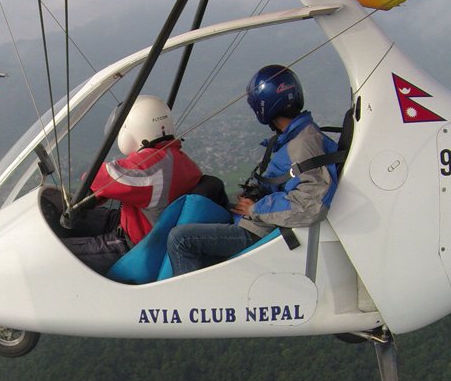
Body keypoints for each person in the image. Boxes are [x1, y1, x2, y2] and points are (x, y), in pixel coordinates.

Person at [166, 65, 338, 276]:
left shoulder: (303, 144)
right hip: (261, 223)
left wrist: (255, 209)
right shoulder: (296, 137)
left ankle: (189, 304)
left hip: (260, 230)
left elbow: (311, 205)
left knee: (180, 239)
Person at [61, 95, 203, 273]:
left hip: (132, 245)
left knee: (56, 254)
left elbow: (101, 176)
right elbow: (130, 186)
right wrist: (97, 197)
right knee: (77, 216)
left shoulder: (153, 165)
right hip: (141, 223)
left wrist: (93, 189)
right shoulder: (179, 159)